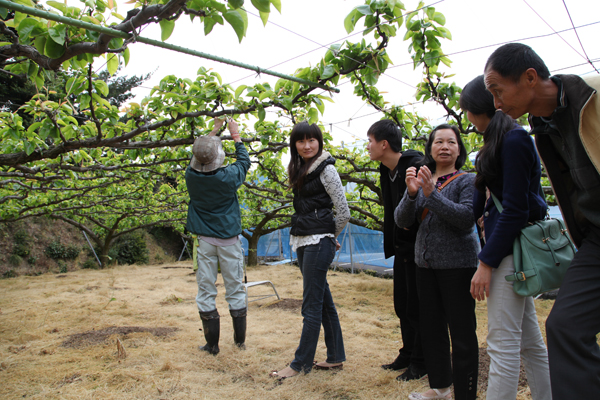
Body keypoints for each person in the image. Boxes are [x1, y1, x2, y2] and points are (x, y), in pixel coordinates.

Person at [483, 42, 600, 399]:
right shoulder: (541, 125)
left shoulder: (593, 96)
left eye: (497, 90)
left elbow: (518, 206)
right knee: (564, 326)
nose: (496, 103)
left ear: (530, 77)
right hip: (595, 236)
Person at [461, 75, 551, 400]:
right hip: (507, 250)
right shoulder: (499, 142)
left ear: (476, 108)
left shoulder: (514, 140)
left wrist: (486, 262)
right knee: (529, 343)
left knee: (502, 345)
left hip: (509, 252)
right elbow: (487, 204)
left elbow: (516, 209)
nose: (467, 119)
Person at [394, 124, 479, 400]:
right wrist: (411, 193)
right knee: (431, 329)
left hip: (458, 266)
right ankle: (440, 387)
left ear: (459, 149)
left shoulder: (468, 180)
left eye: (451, 142)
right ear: (430, 148)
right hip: (425, 266)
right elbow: (402, 221)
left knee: (462, 333)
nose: (444, 146)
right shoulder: (421, 179)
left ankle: (464, 393)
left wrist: (433, 194)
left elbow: (466, 218)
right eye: (439, 141)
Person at [270, 121, 350, 380]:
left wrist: (330, 236)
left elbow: (344, 211)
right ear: (294, 144)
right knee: (323, 301)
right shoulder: (301, 169)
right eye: (301, 141)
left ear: (319, 142)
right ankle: (335, 356)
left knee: (311, 306)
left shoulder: (326, 170)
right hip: (305, 239)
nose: (307, 145)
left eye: (311, 140)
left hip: (317, 241)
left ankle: (299, 364)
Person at [366, 120, 427, 381]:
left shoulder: (413, 164)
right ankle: (407, 352)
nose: (367, 147)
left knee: (417, 306)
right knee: (402, 305)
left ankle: (420, 361)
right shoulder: (385, 168)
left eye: (370, 141)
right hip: (402, 248)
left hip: (419, 249)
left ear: (384, 144)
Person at [185, 117, 250, 355]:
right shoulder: (228, 177)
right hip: (229, 241)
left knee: (206, 290)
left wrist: (213, 130)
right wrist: (235, 136)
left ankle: (212, 345)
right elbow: (244, 161)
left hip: (205, 242)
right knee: (235, 288)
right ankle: (240, 342)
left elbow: (200, 153)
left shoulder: (190, 177)